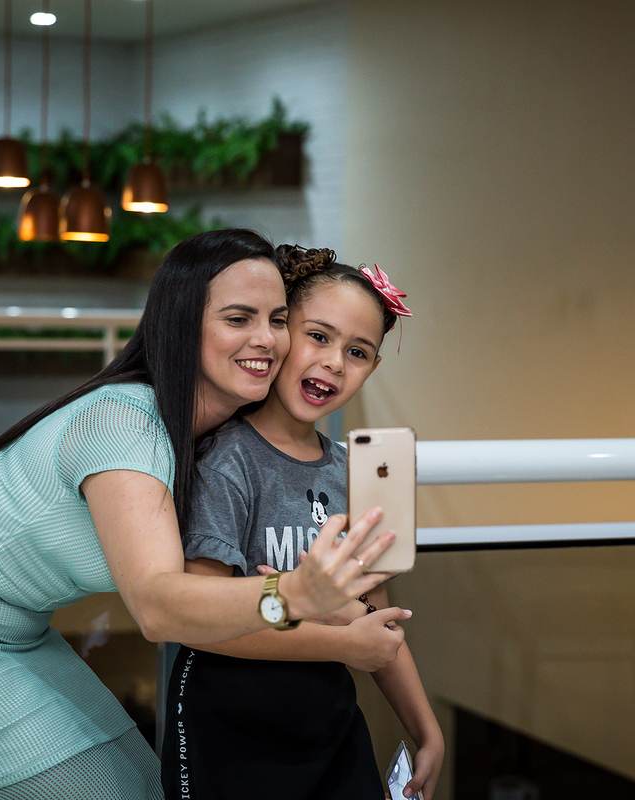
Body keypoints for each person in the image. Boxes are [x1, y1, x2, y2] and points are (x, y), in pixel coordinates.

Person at [0, 229, 395, 800]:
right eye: (238, 318)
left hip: (17, 629)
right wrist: (293, 595)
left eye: (278, 320)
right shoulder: (127, 422)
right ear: (181, 322)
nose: (266, 339)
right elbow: (158, 608)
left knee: (140, 785)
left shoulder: (209, 435)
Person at [162, 245, 444, 800]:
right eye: (318, 336)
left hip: (329, 728)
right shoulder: (226, 461)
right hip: (229, 734)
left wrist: (426, 729)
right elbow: (203, 621)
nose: (335, 362)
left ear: (372, 368)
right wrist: (341, 640)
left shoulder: (360, 472)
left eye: (357, 352)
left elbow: (375, 620)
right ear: (280, 333)